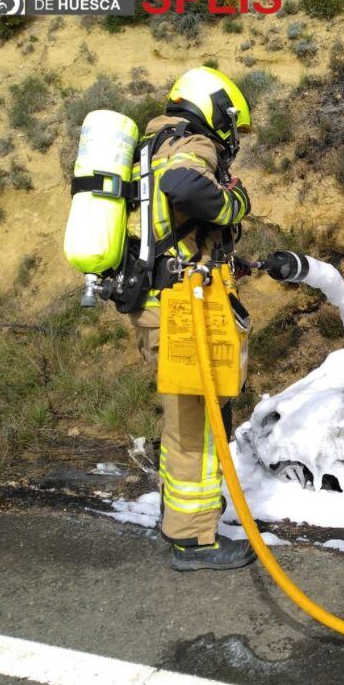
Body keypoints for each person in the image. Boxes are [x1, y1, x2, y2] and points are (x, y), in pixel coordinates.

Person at [127, 67, 255, 571]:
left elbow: (170, 229)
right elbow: (185, 188)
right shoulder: (192, 144)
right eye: (232, 124)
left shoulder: (155, 141)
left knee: (188, 419)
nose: (231, 136)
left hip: (166, 301)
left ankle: (182, 516)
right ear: (215, 110)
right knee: (196, 424)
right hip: (180, 309)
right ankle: (193, 538)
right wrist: (236, 203)